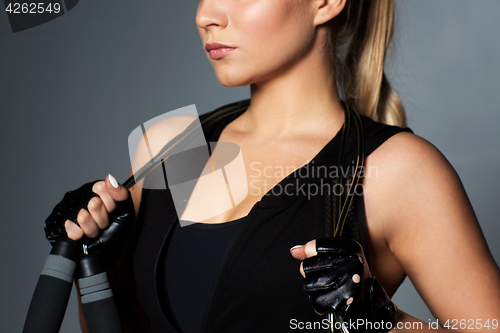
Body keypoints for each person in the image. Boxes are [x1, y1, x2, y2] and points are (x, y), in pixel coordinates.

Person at [44, 0, 500, 332]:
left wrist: (382, 321)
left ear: (325, 3)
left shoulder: (397, 171)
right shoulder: (169, 148)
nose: (206, 15)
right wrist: (97, 261)